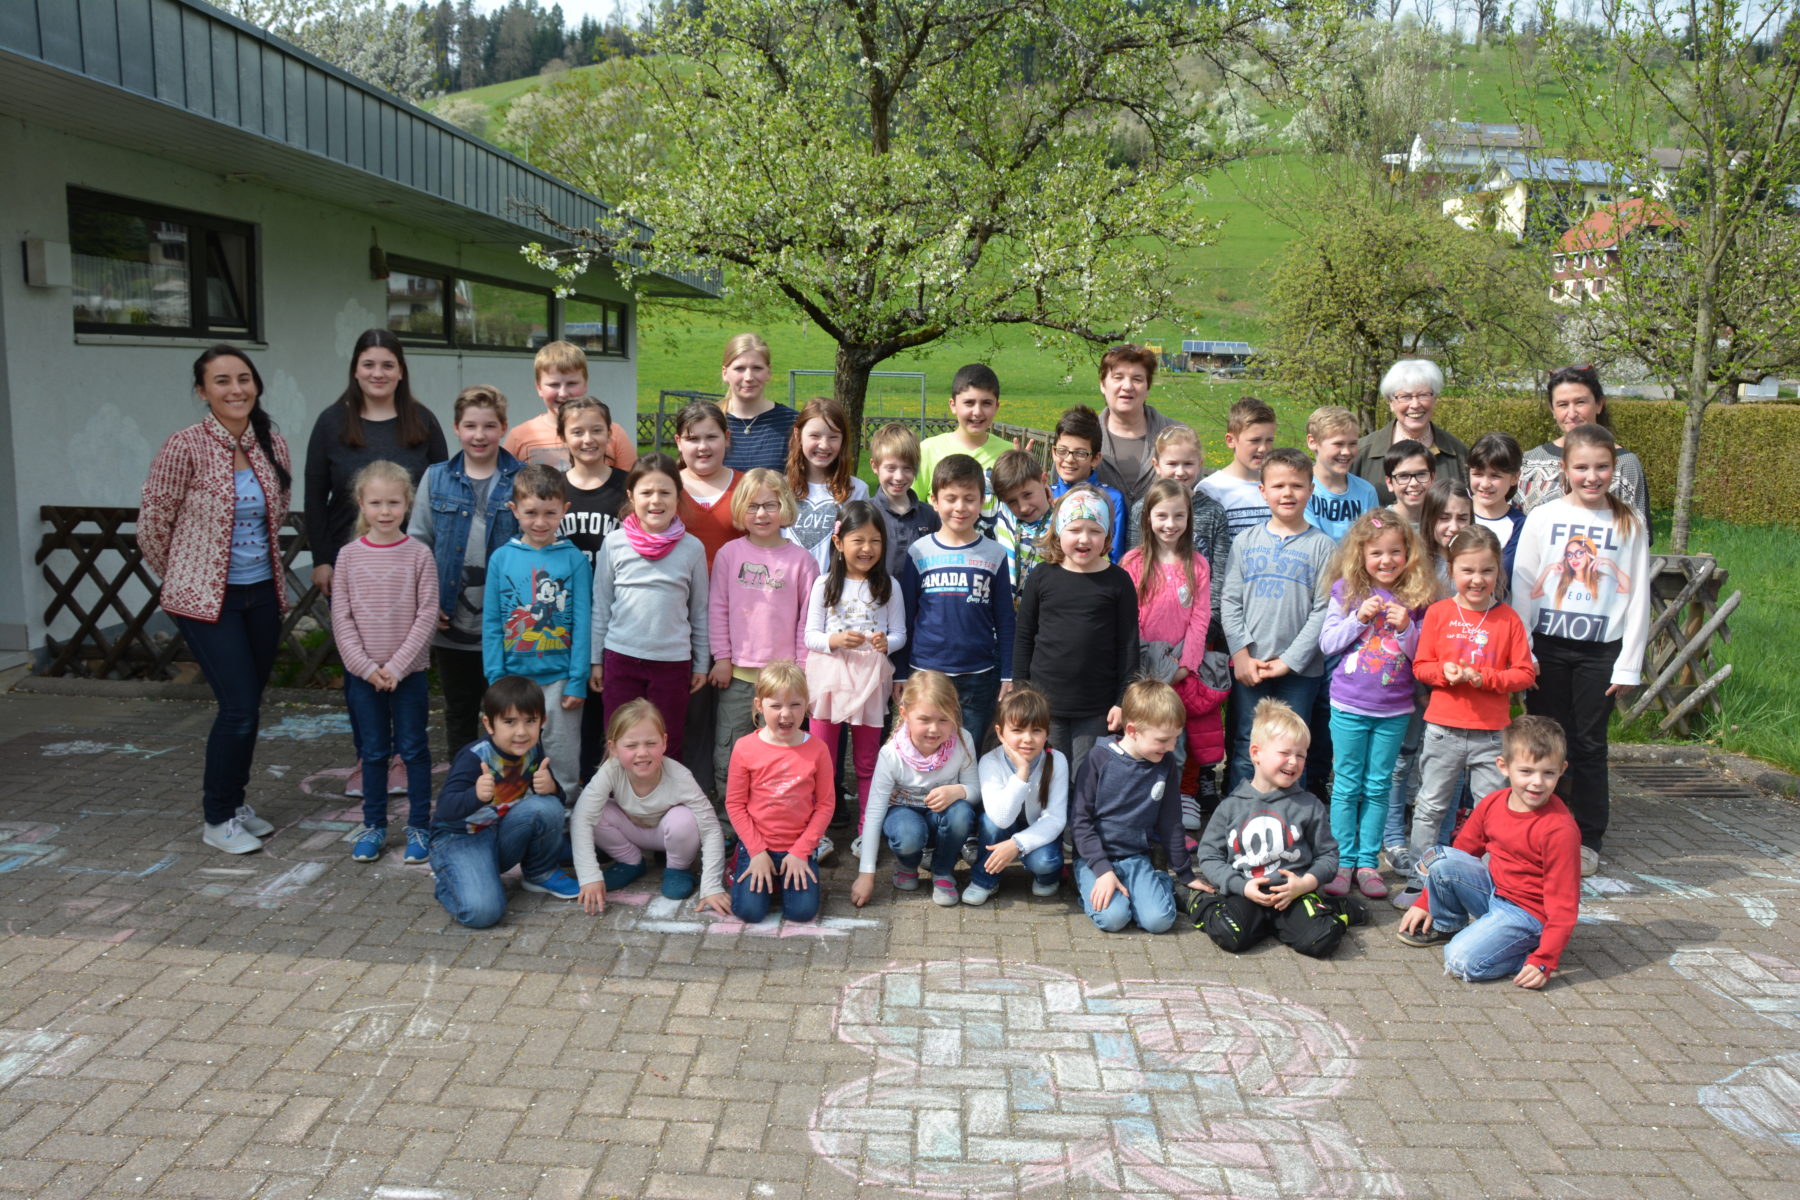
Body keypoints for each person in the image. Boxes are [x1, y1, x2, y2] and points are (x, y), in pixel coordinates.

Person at [139, 345, 293, 854]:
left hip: (262, 594)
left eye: (244, 378)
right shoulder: (184, 446)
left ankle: (236, 803)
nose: (236, 389)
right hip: (207, 600)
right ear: (202, 391)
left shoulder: (272, 442)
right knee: (238, 707)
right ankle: (217, 817)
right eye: (222, 380)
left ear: (256, 385)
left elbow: (278, 511)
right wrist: (185, 575)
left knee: (250, 705)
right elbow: (152, 524)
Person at [305, 329, 447, 798]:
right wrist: (321, 559)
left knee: (406, 662)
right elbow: (314, 495)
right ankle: (369, 757)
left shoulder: (422, 421)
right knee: (359, 663)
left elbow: (442, 493)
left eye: (387, 364)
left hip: (411, 562)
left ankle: (405, 758)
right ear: (355, 369)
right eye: (369, 364)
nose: (378, 373)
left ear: (401, 371)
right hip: (351, 562)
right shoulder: (332, 422)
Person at [1512, 424, 1651, 877]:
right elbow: (1523, 586)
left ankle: (1588, 838)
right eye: (1582, 467)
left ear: (1614, 467)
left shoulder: (1629, 523)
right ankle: (1535, 831)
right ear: (1564, 468)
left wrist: (1629, 663)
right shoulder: (1542, 517)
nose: (1592, 477)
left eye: (1602, 467)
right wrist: (1525, 651)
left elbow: (1639, 598)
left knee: (1590, 746)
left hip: (1600, 653)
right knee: (1543, 741)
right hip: (1547, 649)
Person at [1399, 525, 1537, 906]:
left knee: (1493, 811)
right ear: (1451, 569)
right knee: (1430, 807)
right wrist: (1444, 672)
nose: (1477, 579)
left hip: (1491, 735)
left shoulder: (1508, 619)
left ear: (1498, 572)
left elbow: (1524, 674)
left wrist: (1486, 678)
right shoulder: (1440, 613)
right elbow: (1421, 666)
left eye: (1487, 571)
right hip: (1443, 729)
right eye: (1468, 570)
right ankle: (1419, 882)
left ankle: (1490, 884)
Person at [1397, 715, 1581, 989]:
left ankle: (1527, 954)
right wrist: (1425, 903)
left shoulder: (1559, 830)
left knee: (1460, 960)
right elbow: (1462, 851)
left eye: (1548, 773)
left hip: (1528, 915)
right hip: (1495, 892)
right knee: (1437, 856)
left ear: (1562, 770)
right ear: (1503, 766)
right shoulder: (1494, 802)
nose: (1537, 782)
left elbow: (1565, 905)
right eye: (1526, 771)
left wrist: (1544, 960)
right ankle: (1448, 924)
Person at [1317, 509, 1434, 901]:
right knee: (1346, 784)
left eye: (1395, 552)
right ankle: (1342, 861)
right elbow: (1328, 643)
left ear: (1408, 554)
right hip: (1348, 705)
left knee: (1379, 785)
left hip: (1394, 709)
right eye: (1377, 553)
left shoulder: (1417, 597)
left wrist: (1406, 628)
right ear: (1361, 555)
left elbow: (1422, 657)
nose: (1387, 560)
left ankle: (1368, 863)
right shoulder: (1346, 590)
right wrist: (1357, 619)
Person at [1189, 698, 1365, 958]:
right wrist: (1239, 886)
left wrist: (1306, 883)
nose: (1293, 762)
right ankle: (1199, 902)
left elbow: (1328, 856)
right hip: (1246, 892)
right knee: (1230, 934)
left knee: (1321, 939)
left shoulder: (1309, 805)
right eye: (1285, 753)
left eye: (1301, 755)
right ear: (1256, 753)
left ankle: (1333, 908)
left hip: (1294, 894)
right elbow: (1209, 855)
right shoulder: (1231, 806)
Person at [331, 461, 438, 865]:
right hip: (364, 678)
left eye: (394, 502)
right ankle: (374, 826)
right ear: (361, 503)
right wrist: (365, 667)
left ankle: (419, 827)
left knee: (414, 750)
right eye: (376, 503)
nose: (385, 511)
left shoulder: (419, 555)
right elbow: (341, 618)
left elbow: (426, 615)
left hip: (408, 676)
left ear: (407, 503)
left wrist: (396, 667)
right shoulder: (348, 557)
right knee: (373, 753)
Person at [409, 386, 522, 755]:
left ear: (503, 427)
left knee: (507, 712)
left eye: (489, 426)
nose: (479, 435)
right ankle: (463, 779)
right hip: (450, 622)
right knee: (459, 710)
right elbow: (419, 545)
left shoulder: (522, 479)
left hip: (506, 626)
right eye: (470, 426)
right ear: (456, 428)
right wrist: (427, 602)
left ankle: (504, 780)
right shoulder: (436, 477)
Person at [1220, 448, 1333, 790]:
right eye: (1279, 486)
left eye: (1297, 486)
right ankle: (1241, 810)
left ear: (1311, 490)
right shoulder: (1245, 542)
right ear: (1263, 491)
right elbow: (1230, 600)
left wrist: (1289, 661)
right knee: (1247, 741)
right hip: (1250, 667)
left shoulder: (1323, 547)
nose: (1288, 493)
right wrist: (1241, 655)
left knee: (1291, 746)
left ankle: (1287, 812)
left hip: (1299, 672)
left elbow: (1324, 611)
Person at [429, 676, 579, 928]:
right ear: (489, 724)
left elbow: (557, 800)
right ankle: (448, 882)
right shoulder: (474, 757)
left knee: (548, 805)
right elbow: (445, 810)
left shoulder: (533, 749)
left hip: (499, 833)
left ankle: (539, 872)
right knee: (482, 913)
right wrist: (475, 795)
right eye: (509, 722)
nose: (521, 732)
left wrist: (552, 788)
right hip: (460, 839)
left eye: (530, 721)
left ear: (542, 722)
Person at [590, 454, 710, 763]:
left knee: (667, 741)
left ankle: (664, 795)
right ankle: (617, 792)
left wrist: (700, 664)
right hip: (621, 659)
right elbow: (601, 605)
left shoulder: (692, 548)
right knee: (620, 739)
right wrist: (596, 660)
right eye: (646, 492)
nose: (656, 500)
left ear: (678, 497)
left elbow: (699, 611)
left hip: (672, 664)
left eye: (665, 492)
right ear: (631, 496)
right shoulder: (614, 543)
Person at [1122, 478, 1225, 832]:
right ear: (1148, 517)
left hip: (1179, 671)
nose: (1170, 524)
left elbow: (1200, 618)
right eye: (1162, 515)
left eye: (1178, 516)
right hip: (1143, 670)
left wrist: (1185, 666)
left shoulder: (1197, 565)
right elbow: (1129, 618)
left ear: (1188, 518)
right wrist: (1143, 667)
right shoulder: (1134, 562)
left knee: (1173, 745)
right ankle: (1137, 814)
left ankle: (1170, 817)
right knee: (1140, 741)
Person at [483, 464, 591, 794]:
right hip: (513, 678)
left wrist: (578, 679)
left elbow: (583, 623)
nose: (540, 522)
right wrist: (496, 676)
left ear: (564, 510)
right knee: (513, 744)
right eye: (531, 513)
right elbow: (492, 623)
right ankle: (512, 801)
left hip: (560, 680)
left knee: (562, 747)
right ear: (514, 509)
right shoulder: (501, 558)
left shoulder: (574, 559)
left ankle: (565, 803)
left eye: (550, 513)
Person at [1013, 487, 1139, 769]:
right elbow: (1024, 637)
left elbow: (1128, 645)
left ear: (1107, 536)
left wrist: (1123, 701)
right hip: (1044, 703)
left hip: (1096, 707)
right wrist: (1021, 691)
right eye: (1074, 529)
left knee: (1086, 776)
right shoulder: (1042, 576)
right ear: (1059, 531)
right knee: (1049, 774)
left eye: (1094, 531)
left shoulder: (1118, 581)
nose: (1084, 539)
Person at [711, 469, 818, 799]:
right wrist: (722, 658)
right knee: (730, 751)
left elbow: (807, 620)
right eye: (753, 506)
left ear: (785, 506)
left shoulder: (802, 561)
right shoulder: (729, 554)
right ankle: (730, 820)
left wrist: (802, 670)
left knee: (782, 754)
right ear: (740, 509)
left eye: (770, 505)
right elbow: (718, 608)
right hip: (738, 676)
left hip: (783, 681)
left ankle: (777, 815)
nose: (761, 514)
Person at [895, 454, 1015, 740]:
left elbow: (1005, 620)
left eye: (969, 499)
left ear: (982, 501)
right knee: (925, 745)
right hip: (926, 672)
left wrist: (1008, 673)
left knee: (967, 749)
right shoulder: (919, 551)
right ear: (934, 501)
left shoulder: (995, 554)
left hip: (978, 674)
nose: (960, 507)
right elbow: (905, 617)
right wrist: (899, 671)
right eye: (951, 498)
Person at [571, 699, 730, 913]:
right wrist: (589, 876)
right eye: (631, 745)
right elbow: (581, 819)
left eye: (651, 743)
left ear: (664, 742)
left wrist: (711, 886)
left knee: (684, 818)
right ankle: (630, 862)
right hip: (631, 830)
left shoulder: (680, 776)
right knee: (594, 811)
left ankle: (678, 869)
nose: (642, 753)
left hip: (668, 835)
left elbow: (710, 828)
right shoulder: (611, 770)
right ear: (613, 748)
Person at [1068, 679, 1199, 934]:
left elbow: (1172, 822)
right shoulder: (1098, 759)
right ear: (1132, 730)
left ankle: (1159, 882)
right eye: (1163, 740)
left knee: (1159, 922)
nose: (1171, 747)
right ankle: (1085, 884)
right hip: (1095, 860)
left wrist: (1186, 874)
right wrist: (1103, 870)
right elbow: (1080, 822)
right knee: (1114, 919)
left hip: (1136, 858)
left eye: (1175, 738)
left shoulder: (1166, 763)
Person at [805, 500, 905, 829]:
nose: (867, 548)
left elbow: (900, 633)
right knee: (823, 758)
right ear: (838, 542)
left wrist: (886, 643)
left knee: (866, 759)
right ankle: (818, 829)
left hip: (870, 677)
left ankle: (868, 826)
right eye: (858, 540)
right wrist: (834, 640)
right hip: (829, 676)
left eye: (875, 541)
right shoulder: (824, 584)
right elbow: (811, 636)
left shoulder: (889, 586)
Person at [850, 670, 981, 907]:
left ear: (954, 714)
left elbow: (975, 790)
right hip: (903, 815)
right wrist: (866, 875)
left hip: (941, 817)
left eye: (944, 720)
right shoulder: (891, 754)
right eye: (924, 719)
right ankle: (907, 864)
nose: (934, 729)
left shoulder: (963, 740)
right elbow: (875, 812)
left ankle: (943, 870)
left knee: (962, 813)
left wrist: (958, 791)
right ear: (905, 714)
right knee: (908, 833)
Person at [724, 662, 835, 923]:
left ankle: (781, 876)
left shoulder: (818, 749)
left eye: (795, 704)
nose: (786, 714)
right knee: (750, 912)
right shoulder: (744, 748)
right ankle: (743, 862)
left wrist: (801, 851)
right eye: (776, 706)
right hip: (757, 845)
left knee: (802, 912)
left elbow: (825, 805)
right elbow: (735, 804)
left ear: (806, 705)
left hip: (798, 846)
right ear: (759, 705)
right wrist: (756, 851)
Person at [965, 685, 1068, 905]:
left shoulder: (1057, 760)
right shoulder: (990, 761)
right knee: (989, 824)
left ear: (1047, 732)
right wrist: (1022, 772)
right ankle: (984, 879)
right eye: (1018, 730)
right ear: (1000, 732)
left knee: (1045, 862)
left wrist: (1017, 844)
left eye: (1036, 730)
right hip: (1004, 825)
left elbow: (1055, 819)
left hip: (1038, 829)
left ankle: (1048, 878)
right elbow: (1000, 819)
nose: (1027, 739)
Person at [1517, 364, 1651, 528]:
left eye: (1580, 402)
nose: (1572, 414)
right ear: (1552, 409)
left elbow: (1638, 532)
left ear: (1599, 404)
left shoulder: (1625, 463)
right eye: (1563, 404)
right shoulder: (1530, 461)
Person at [1122, 426, 1229, 628]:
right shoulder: (1142, 509)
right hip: (1149, 620)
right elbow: (1134, 566)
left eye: (1188, 464)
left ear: (1200, 464)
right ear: (1157, 465)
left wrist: (1211, 621)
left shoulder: (1213, 512)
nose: (1180, 472)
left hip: (1200, 621)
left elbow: (1220, 572)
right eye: (1172, 463)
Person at [502, 339, 636, 473]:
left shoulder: (613, 433)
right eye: (554, 385)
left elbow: (631, 482)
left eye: (572, 384)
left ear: (585, 384)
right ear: (539, 388)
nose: (563, 393)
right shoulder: (519, 437)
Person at [1349, 359, 1469, 503]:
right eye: (1405, 397)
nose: (1415, 404)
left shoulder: (1458, 453)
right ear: (1390, 403)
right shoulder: (1360, 452)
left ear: (1435, 399)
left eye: (1423, 395)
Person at [915, 363, 1010, 526]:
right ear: (953, 405)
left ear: (996, 406)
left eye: (986, 403)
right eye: (969, 403)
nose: (977, 412)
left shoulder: (1008, 453)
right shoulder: (928, 450)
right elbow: (911, 507)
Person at [785, 396, 870, 569]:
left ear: (843, 439)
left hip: (834, 583)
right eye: (815, 436)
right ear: (798, 435)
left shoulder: (857, 491)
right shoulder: (781, 488)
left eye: (833, 437)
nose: (824, 445)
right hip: (786, 581)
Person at [1092, 343, 1180, 509]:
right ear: (1103, 384)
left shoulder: (1179, 437)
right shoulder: (1082, 437)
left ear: (1147, 388)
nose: (1127, 386)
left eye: (1137, 379)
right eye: (1118, 377)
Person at [1046, 406, 1128, 563]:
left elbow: (1116, 556)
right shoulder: (1045, 495)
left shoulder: (1111, 499)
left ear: (1095, 459)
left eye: (1080, 453)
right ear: (1053, 452)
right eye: (1062, 451)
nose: (1069, 459)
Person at [557, 396, 627, 576]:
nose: (588, 439)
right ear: (563, 437)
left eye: (596, 430)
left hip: (616, 590)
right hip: (563, 590)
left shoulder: (629, 486)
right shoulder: (553, 488)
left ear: (609, 434)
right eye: (577, 432)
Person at [673, 399, 741, 568]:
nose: (702, 447)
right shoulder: (665, 487)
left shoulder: (748, 486)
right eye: (693, 439)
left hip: (735, 584)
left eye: (711, 437)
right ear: (678, 442)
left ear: (726, 438)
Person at [1199, 396, 1277, 543]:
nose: (1263, 448)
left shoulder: (1279, 485)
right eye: (1254, 440)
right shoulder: (1211, 489)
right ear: (1231, 440)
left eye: (1269, 440)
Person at [868, 422, 940, 578]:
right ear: (875, 466)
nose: (899, 477)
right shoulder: (865, 513)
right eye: (891, 468)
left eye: (907, 468)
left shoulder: (930, 515)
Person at [717, 332, 796, 472]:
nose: (748, 377)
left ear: (768, 372)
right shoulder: (710, 420)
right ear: (725, 373)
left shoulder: (792, 422)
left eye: (757, 368)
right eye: (739, 368)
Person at [1305, 405, 1380, 541]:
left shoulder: (1366, 492)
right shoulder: (1300, 488)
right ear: (1313, 442)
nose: (1346, 452)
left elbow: (1374, 539)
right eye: (1338, 444)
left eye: (1353, 444)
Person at [991, 448, 1054, 601]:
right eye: (1012, 501)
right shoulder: (1004, 513)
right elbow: (974, 483)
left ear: (1044, 480)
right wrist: (1011, 464)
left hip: (1045, 609)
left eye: (1027, 494)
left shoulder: (1063, 525)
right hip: (1008, 609)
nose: (1023, 507)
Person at [1467, 433, 1527, 588]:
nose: (1485, 484)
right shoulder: (1454, 514)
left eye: (1495, 476)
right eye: (1478, 474)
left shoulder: (1522, 526)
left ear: (1514, 478)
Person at [1419, 477, 1475, 592]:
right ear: (1429, 518)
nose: (1454, 528)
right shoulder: (1416, 563)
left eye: (1462, 518)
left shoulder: (1479, 559)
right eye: (1444, 518)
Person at [1383, 440, 1436, 529]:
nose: (1414, 483)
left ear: (1432, 478)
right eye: (1403, 476)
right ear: (1389, 483)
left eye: (1421, 474)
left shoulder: (1445, 524)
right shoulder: (1378, 528)